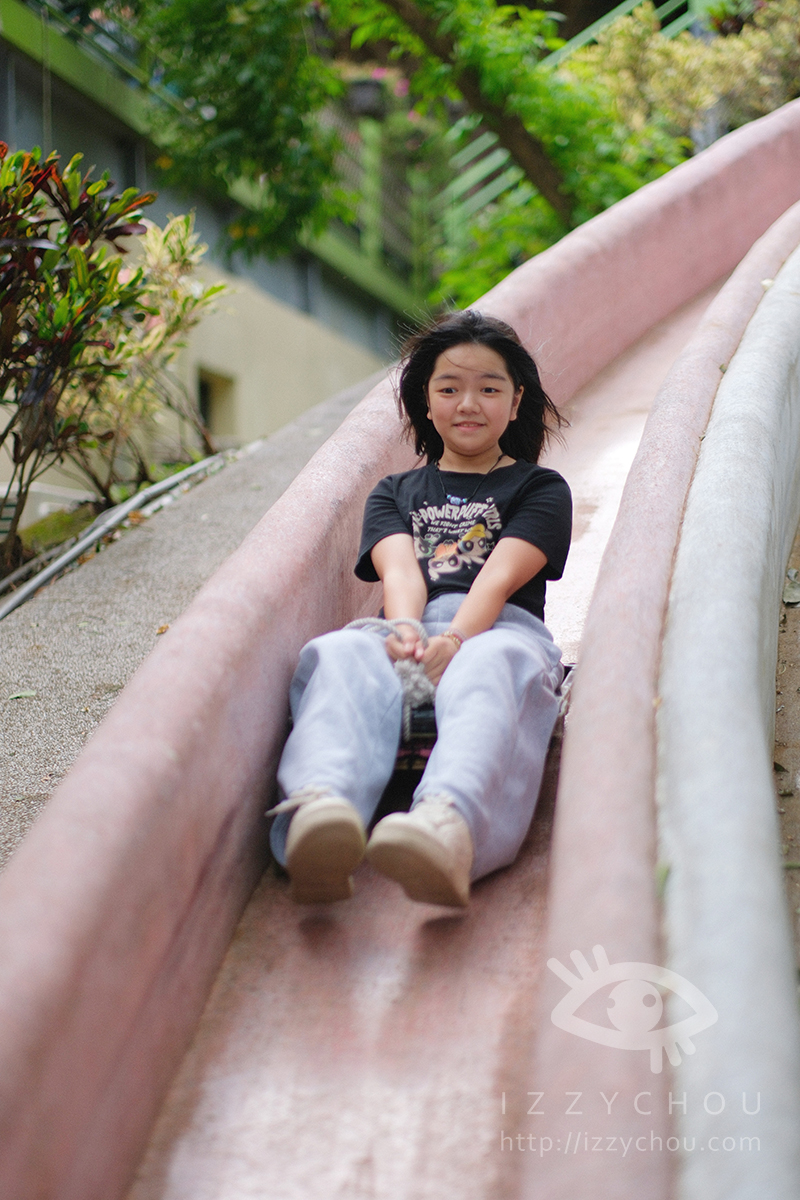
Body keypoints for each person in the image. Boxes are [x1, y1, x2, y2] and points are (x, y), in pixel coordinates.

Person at [270, 310, 572, 907]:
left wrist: (455, 641)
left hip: (498, 630)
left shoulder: (540, 488)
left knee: (491, 663)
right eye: (449, 388)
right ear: (425, 403)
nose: (469, 404)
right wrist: (408, 632)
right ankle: (321, 809)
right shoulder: (394, 492)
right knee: (340, 651)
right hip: (408, 628)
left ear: (516, 403)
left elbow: (499, 576)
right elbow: (401, 572)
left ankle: (447, 825)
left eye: (490, 389)